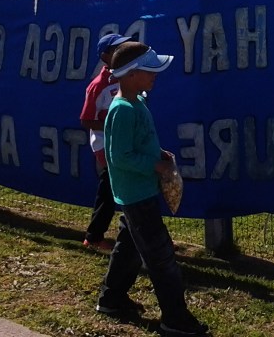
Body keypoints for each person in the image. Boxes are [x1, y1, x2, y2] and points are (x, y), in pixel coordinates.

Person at [97, 41, 209, 337]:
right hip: (137, 195)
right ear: (131, 74)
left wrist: (157, 153)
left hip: (139, 192)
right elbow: (120, 156)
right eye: (150, 71)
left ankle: (111, 299)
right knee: (162, 259)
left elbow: (139, 141)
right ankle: (175, 319)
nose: (155, 75)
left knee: (129, 247)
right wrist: (155, 165)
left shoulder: (137, 102)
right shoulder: (123, 110)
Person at [79, 32, 130, 251]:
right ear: (105, 56)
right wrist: (114, 126)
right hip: (106, 147)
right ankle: (93, 238)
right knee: (109, 194)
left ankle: (148, 237)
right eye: (117, 49)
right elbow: (86, 120)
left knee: (127, 192)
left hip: (125, 144)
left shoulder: (128, 77)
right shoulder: (98, 85)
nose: (123, 52)